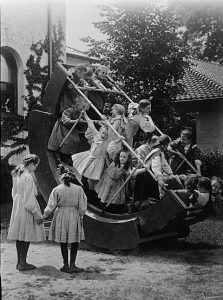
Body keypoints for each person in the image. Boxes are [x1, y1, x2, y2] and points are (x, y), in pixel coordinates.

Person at [42, 172, 87, 273]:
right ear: (71, 177)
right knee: (75, 240)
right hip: (74, 214)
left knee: (63, 240)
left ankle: (66, 265)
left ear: (60, 178)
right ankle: (72, 265)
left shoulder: (57, 189)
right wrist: (80, 216)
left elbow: (51, 205)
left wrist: (44, 216)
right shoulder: (78, 189)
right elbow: (83, 206)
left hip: (61, 214)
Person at [7, 154, 46, 271]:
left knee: (20, 235)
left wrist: (18, 204)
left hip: (18, 205)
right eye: (36, 166)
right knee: (26, 234)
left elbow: (14, 193)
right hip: (26, 207)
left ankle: (20, 262)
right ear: (31, 164)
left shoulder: (17, 174)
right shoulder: (28, 177)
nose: (36, 168)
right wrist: (36, 213)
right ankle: (22, 263)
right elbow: (29, 198)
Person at [71, 112, 114, 188]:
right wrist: (85, 115)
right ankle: (83, 186)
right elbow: (90, 124)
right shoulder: (97, 135)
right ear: (100, 131)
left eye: (106, 134)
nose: (103, 135)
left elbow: (111, 130)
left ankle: (90, 192)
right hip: (89, 157)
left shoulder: (107, 141)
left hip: (98, 161)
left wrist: (107, 121)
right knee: (82, 173)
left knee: (92, 179)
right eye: (103, 133)